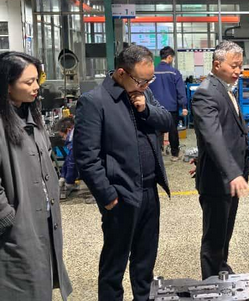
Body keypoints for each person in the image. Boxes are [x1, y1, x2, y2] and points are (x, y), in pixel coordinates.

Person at [74, 44, 172, 301]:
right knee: (114, 264)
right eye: (141, 81)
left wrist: (146, 109)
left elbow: (167, 121)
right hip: (120, 194)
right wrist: (107, 196)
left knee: (145, 261)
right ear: (121, 73)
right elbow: (86, 157)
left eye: (150, 80)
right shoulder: (94, 102)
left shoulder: (144, 94)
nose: (146, 85)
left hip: (149, 190)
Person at [0, 52, 72, 300]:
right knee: (20, 285)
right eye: (28, 82)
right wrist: (7, 216)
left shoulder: (31, 115)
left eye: (37, 80)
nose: (36, 87)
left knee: (40, 279)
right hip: (17, 224)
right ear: (7, 86)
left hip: (42, 217)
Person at [192, 40, 249, 279]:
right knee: (214, 239)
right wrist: (232, 172)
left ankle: (221, 271)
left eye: (240, 65)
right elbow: (213, 137)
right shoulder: (206, 93)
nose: (238, 71)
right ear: (217, 64)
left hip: (228, 177)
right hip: (218, 180)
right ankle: (211, 282)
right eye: (234, 66)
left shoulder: (224, 88)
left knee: (224, 233)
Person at [149, 46, 188, 162]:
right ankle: (175, 154)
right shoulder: (174, 72)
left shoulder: (152, 72)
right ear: (169, 57)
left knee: (156, 130)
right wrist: (184, 106)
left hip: (155, 107)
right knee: (172, 130)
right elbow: (180, 91)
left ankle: (157, 152)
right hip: (171, 107)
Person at [55, 116, 78, 199]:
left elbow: (72, 163)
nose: (63, 139)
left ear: (68, 130)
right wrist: (62, 176)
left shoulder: (76, 140)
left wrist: (69, 182)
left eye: (63, 136)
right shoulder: (74, 137)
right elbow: (68, 159)